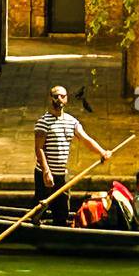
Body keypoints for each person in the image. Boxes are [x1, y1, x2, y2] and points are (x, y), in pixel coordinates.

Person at [34, 84, 111, 226]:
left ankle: (59, 231)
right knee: (39, 210)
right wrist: (46, 171)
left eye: (62, 96)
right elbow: (39, 149)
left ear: (66, 99)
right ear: (50, 99)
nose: (59, 99)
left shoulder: (72, 121)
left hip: (62, 174)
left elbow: (86, 139)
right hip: (45, 173)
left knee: (62, 211)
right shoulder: (43, 123)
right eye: (56, 96)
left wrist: (102, 152)